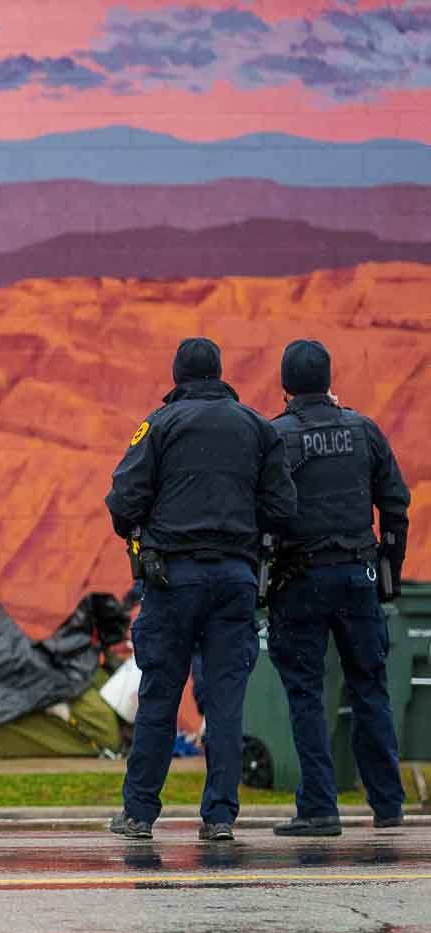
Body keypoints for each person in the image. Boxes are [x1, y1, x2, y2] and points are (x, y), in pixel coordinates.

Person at [106, 337, 298, 841]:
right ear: (218, 373)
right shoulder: (257, 427)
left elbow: (124, 499)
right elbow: (283, 507)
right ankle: (218, 818)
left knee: (160, 696)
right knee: (226, 700)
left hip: (173, 579)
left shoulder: (159, 425)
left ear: (177, 376)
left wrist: (146, 532)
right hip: (235, 579)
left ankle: (139, 814)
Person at [264, 339, 411, 836]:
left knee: (305, 692)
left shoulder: (276, 437)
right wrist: (387, 572)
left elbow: (263, 513)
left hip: (299, 580)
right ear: (329, 381)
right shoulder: (363, 430)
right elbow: (395, 504)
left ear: (285, 386)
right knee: (370, 687)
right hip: (358, 576)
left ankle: (319, 808)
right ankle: (388, 805)